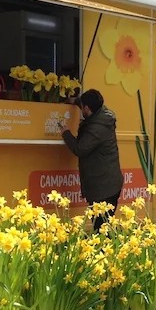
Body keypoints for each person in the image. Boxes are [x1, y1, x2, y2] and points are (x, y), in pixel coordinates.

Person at [60, 89, 123, 232]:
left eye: (82, 106)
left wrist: (65, 133)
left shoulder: (97, 128)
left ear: (87, 108)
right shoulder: (101, 115)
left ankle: (105, 252)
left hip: (104, 187)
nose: (81, 108)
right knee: (103, 226)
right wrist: (74, 101)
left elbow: (80, 149)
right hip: (107, 183)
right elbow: (84, 103)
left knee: (101, 228)